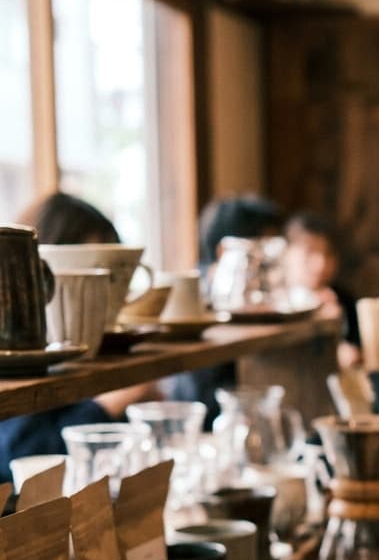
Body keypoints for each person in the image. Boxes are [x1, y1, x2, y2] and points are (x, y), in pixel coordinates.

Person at [0, 193, 160, 484]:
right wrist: (106, 406)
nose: (107, 289)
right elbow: (16, 455)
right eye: (96, 271)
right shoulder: (18, 349)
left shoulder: (107, 343)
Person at [161, 193, 285, 426]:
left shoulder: (262, 299)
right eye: (263, 250)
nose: (271, 263)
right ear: (225, 251)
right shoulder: (198, 299)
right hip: (205, 422)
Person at [281, 210, 361, 370]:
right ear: (286, 253)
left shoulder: (344, 299)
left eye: (328, 253)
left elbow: (359, 347)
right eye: (309, 252)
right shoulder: (275, 303)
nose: (321, 264)